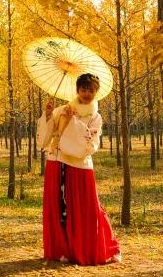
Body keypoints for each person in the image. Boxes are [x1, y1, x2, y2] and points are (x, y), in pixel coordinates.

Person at [37, 72, 121, 265]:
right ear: (77, 90)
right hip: (56, 160)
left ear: (96, 92)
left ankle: (96, 247)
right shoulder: (63, 109)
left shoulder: (95, 117)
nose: (87, 94)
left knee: (88, 207)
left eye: (91, 90)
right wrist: (49, 114)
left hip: (79, 165)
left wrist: (73, 122)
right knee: (57, 206)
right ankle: (62, 250)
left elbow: (90, 145)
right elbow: (46, 138)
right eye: (83, 89)